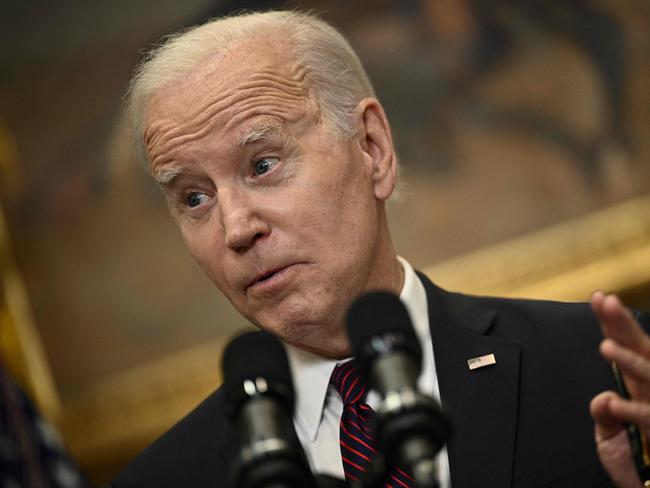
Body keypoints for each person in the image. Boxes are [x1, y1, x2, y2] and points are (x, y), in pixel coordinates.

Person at [113, 10, 649, 488]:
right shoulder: (163, 478)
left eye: (262, 165)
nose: (235, 229)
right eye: (195, 197)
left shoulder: (604, 368)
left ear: (373, 147)